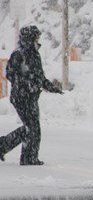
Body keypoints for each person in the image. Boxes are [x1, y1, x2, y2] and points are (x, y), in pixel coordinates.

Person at [0, 26, 63, 165]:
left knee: (32, 128)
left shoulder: (35, 55)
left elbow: (39, 77)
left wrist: (51, 87)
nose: (38, 40)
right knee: (31, 128)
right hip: (21, 97)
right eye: (36, 37)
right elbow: (10, 74)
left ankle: (24, 155)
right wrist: (26, 83)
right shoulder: (18, 54)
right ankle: (22, 154)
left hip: (32, 96)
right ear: (29, 39)